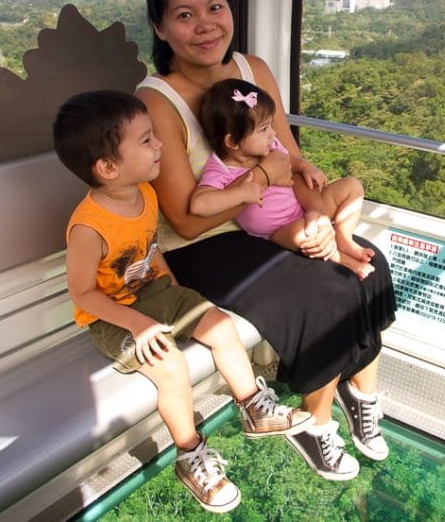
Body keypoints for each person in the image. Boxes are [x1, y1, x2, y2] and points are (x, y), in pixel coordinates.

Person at [136, 0, 396, 481]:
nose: (206, 26)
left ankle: (361, 395)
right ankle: (315, 425)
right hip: (205, 241)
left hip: (268, 219)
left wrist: (318, 213)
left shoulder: (252, 70)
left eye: (215, 7)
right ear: (160, 28)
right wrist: (260, 181)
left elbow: (290, 155)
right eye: (184, 16)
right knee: (327, 292)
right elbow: (185, 221)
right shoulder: (157, 102)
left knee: (370, 266)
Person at [52, 90, 313, 514]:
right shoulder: (88, 226)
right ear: (107, 166)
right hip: (112, 316)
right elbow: (83, 294)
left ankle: (253, 407)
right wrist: (137, 324)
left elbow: (150, 253)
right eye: (146, 141)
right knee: (172, 367)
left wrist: (181, 298)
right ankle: (191, 455)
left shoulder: (145, 194)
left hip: (155, 294)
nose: (160, 146)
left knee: (222, 326)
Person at [190, 78, 376, 280]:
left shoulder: (269, 147)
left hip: (303, 208)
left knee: (352, 186)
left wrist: (305, 167)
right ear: (233, 141)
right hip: (279, 231)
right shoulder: (220, 169)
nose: (273, 133)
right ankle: (344, 260)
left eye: (270, 125)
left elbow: (290, 162)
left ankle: (343, 237)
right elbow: (200, 204)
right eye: (263, 129)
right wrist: (239, 193)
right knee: (306, 234)